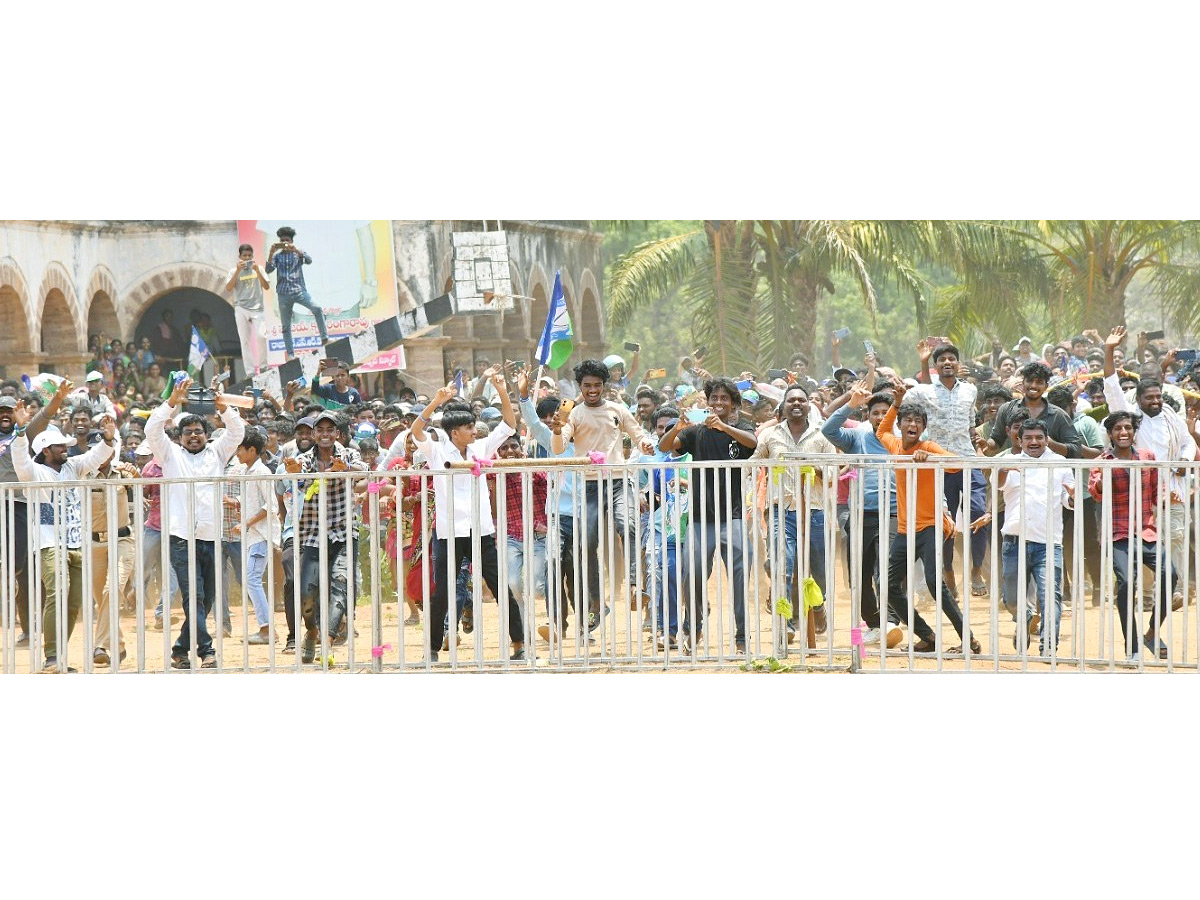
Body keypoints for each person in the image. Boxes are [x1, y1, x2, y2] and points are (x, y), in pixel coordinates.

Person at [411, 375, 527, 662]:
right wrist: (436, 402)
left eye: (474, 426)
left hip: (481, 530)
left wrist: (502, 391)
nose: (474, 431)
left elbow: (509, 426)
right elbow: (416, 432)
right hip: (449, 532)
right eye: (468, 427)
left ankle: (519, 644)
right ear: (454, 432)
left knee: (501, 587)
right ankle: (433, 649)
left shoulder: (480, 449)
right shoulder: (437, 451)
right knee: (442, 593)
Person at [145, 376, 246, 670]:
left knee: (208, 599)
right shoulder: (169, 454)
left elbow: (237, 431)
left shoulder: (218, 451)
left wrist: (223, 407)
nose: (193, 436)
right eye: (187, 432)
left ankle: (179, 650)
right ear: (179, 437)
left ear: (206, 435)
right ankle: (206, 650)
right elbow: (152, 429)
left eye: (198, 432)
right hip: (180, 537)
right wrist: (171, 403)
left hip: (212, 536)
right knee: (195, 595)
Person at [10, 401, 118, 672]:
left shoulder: (73, 467)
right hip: (49, 544)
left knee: (73, 603)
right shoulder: (33, 473)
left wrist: (108, 437)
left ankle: (59, 655)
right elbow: (20, 458)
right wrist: (22, 430)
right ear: (46, 450)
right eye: (60, 446)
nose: (66, 448)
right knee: (56, 594)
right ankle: (51, 657)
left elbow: (96, 456)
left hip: (77, 543)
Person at [876, 385, 981, 655]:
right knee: (886, 585)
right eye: (908, 421)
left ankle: (969, 640)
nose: (913, 425)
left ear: (923, 428)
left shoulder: (928, 446)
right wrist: (896, 403)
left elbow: (957, 464)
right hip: (904, 530)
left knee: (936, 585)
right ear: (901, 425)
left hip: (931, 527)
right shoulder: (895, 445)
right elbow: (882, 431)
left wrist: (931, 457)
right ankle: (928, 637)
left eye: (918, 422)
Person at [551, 358, 655, 629]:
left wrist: (644, 444)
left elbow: (638, 433)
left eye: (597, 385)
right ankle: (595, 602)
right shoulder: (573, 414)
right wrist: (557, 429)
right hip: (589, 486)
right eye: (587, 386)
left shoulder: (617, 410)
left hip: (618, 480)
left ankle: (635, 586)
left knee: (628, 525)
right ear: (580, 386)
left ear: (604, 385)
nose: (593, 390)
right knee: (586, 544)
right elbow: (560, 448)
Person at [659, 377, 758, 654]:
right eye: (713, 398)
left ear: (734, 403)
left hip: (734, 516)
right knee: (692, 574)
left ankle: (741, 637)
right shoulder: (696, 431)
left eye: (724, 399)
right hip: (701, 518)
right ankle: (694, 625)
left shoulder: (741, 426)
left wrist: (724, 427)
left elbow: (752, 443)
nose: (718, 403)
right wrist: (678, 426)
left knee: (740, 574)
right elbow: (666, 447)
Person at [1102, 327, 1195, 610]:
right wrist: (1108, 351)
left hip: (1174, 489)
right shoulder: (1129, 416)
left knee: (1176, 536)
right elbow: (1111, 385)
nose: (1155, 402)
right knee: (1142, 542)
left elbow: (1188, 442)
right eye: (1149, 398)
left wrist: (1184, 463)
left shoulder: (1169, 415)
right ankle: (1144, 596)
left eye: (1158, 397)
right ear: (1139, 400)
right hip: (1139, 490)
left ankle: (1175, 592)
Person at [1088, 411, 1178, 660]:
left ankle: (1151, 632)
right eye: (1118, 429)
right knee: (1127, 584)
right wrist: (1105, 476)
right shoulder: (1102, 460)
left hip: (1147, 530)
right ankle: (1133, 647)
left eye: (1128, 427)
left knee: (1170, 574)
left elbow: (1157, 489)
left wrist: (1165, 499)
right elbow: (1095, 492)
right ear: (1110, 434)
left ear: (1134, 431)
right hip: (1118, 533)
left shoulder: (1147, 457)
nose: (1124, 432)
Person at [750, 384, 835, 641]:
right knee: (782, 564)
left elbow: (833, 474)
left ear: (809, 405)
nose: (796, 404)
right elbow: (754, 462)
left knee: (818, 568)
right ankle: (785, 622)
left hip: (815, 511)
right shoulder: (770, 435)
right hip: (780, 509)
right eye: (791, 401)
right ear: (783, 406)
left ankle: (818, 606)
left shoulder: (823, 436)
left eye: (801, 400)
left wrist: (813, 468)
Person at [821, 385, 903, 648]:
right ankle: (876, 624)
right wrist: (851, 403)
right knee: (858, 574)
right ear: (868, 415)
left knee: (885, 571)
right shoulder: (857, 436)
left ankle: (891, 621)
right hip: (859, 514)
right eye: (875, 412)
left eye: (886, 412)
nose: (880, 417)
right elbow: (828, 430)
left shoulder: (902, 439)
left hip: (892, 512)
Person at [282, 411, 366, 663]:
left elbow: (364, 470)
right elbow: (296, 479)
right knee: (306, 591)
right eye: (321, 430)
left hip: (343, 532)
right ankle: (312, 630)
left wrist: (347, 469)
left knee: (341, 586)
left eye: (331, 429)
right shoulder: (305, 458)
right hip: (312, 534)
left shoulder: (349, 454)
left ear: (337, 434)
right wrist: (295, 473)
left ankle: (327, 642)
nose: (326, 434)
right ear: (315, 435)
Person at [0, 380, 72, 647]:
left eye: (9, 411)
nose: (5, 416)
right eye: (0, 412)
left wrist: (57, 398)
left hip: (22, 506)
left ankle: (35, 629)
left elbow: (45, 417)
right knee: (12, 571)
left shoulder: (25, 433)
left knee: (26, 570)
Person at [997, 420, 1076, 656]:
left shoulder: (1059, 462)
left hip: (1048, 542)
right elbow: (999, 486)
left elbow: (1068, 498)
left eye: (1039, 437)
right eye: (1028, 438)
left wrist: (1073, 497)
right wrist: (1002, 471)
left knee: (1051, 596)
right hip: (1014, 540)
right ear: (1019, 441)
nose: (1034, 442)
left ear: (1046, 439)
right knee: (1011, 598)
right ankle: (1024, 616)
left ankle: (1048, 647)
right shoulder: (1008, 461)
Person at [87, 433, 141, 666]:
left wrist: (136, 474)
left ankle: (100, 646)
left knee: (112, 591)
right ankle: (117, 644)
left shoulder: (123, 472)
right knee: (103, 600)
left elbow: (140, 486)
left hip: (122, 540)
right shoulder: (82, 474)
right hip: (94, 543)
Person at [222, 428, 276, 645]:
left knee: (252, 579)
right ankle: (265, 627)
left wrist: (246, 522)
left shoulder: (262, 472)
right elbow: (252, 501)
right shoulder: (247, 472)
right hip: (253, 535)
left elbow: (270, 506)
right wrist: (235, 504)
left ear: (252, 450)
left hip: (261, 534)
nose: (237, 454)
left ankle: (266, 629)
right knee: (251, 579)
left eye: (240, 449)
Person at [267, 225, 328, 358]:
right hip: (283, 294)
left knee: (317, 309)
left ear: (291, 241)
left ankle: (324, 338)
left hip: (299, 291)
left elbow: (309, 260)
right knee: (286, 327)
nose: (285, 243)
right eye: (282, 240)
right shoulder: (277, 256)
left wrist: (297, 251)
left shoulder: (297, 253)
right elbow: (268, 270)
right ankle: (290, 354)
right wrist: (271, 253)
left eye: (287, 240)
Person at [226, 243, 270, 375]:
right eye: (244, 256)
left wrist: (257, 270)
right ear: (240, 257)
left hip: (257, 308)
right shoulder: (233, 271)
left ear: (253, 256)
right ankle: (250, 371)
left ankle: (263, 367)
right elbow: (228, 288)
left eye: (249, 255)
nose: (247, 258)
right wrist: (238, 271)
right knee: (244, 340)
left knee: (262, 336)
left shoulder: (259, 269)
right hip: (241, 308)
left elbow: (266, 286)